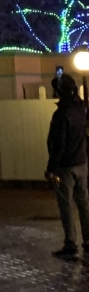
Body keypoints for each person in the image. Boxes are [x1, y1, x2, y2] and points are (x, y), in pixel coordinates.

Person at [46, 73, 89, 260]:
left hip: (66, 167)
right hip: (81, 162)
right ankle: (88, 240)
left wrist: (51, 168)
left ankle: (70, 244)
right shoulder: (81, 109)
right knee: (84, 203)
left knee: (66, 206)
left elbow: (58, 145)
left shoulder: (61, 114)